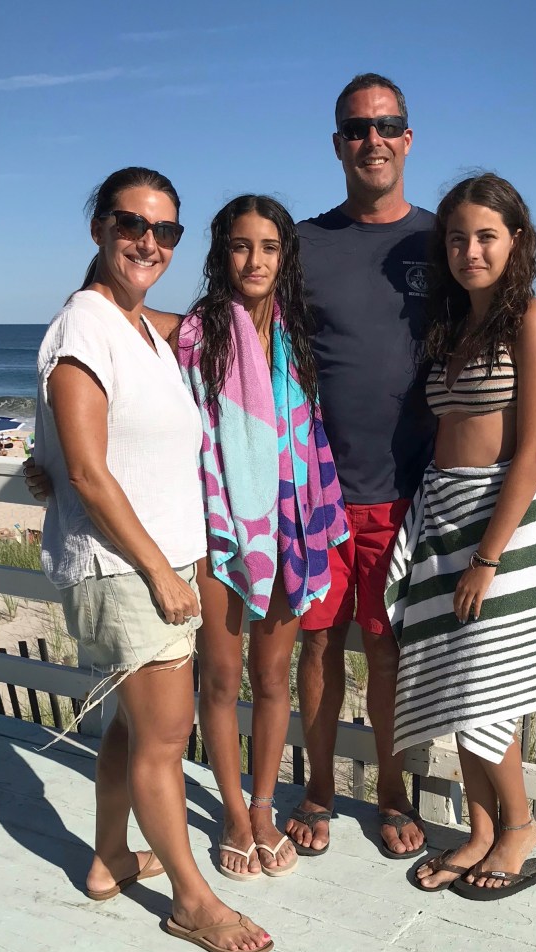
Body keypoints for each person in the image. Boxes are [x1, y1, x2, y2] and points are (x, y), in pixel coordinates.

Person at [33, 166, 272, 952]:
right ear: (99, 227)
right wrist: (164, 575)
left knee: (130, 733)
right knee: (166, 742)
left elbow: (212, 327)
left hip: (148, 562)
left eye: (165, 230)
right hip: (130, 569)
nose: (149, 241)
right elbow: (91, 473)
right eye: (132, 224)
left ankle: (108, 861)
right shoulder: (85, 328)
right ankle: (191, 901)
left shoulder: (133, 324)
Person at [386, 173, 536, 899]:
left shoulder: (532, 319)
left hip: (505, 521)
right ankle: (481, 831)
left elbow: (531, 451)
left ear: (515, 241)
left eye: (486, 235)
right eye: (458, 237)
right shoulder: (451, 325)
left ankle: (519, 827)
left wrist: (488, 557)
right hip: (445, 516)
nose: (470, 250)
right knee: (455, 677)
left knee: (484, 676)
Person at [171, 196, 348, 881]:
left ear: (285, 255)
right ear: (222, 253)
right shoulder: (195, 333)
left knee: (272, 678)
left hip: (288, 523)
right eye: (241, 246)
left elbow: (312, 431)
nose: (255, 260)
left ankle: (267, 805)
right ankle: (233, 812)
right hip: (219, 523)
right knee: (219, 679)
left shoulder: (299, 333)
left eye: (269, 246)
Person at [285, 73, 437, 859]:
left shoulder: (443, 241)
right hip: (315, 494)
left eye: (387, 125)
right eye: (356, 128)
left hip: (405, 494)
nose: (371, 139)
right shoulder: (304, 243)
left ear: (408, 138)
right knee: (317, 647)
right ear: (337, 142)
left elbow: (503, 341)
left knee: (387, 649)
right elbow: (228, 334)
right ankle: (316, 790)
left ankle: (389, 790)